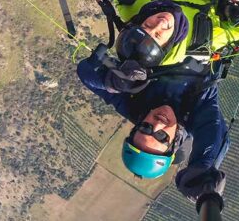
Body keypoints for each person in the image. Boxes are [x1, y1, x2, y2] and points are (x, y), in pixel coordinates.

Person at [76, 43, 228, 202]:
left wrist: (113, 81)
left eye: (146, 128)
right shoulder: (195, 116)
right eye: (161, 136)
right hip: (209, 40)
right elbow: (212, 133)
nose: (157, 124)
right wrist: (203, 172)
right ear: (175, 143)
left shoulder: (136, 107)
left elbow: (86, 74)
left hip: (170, 35)